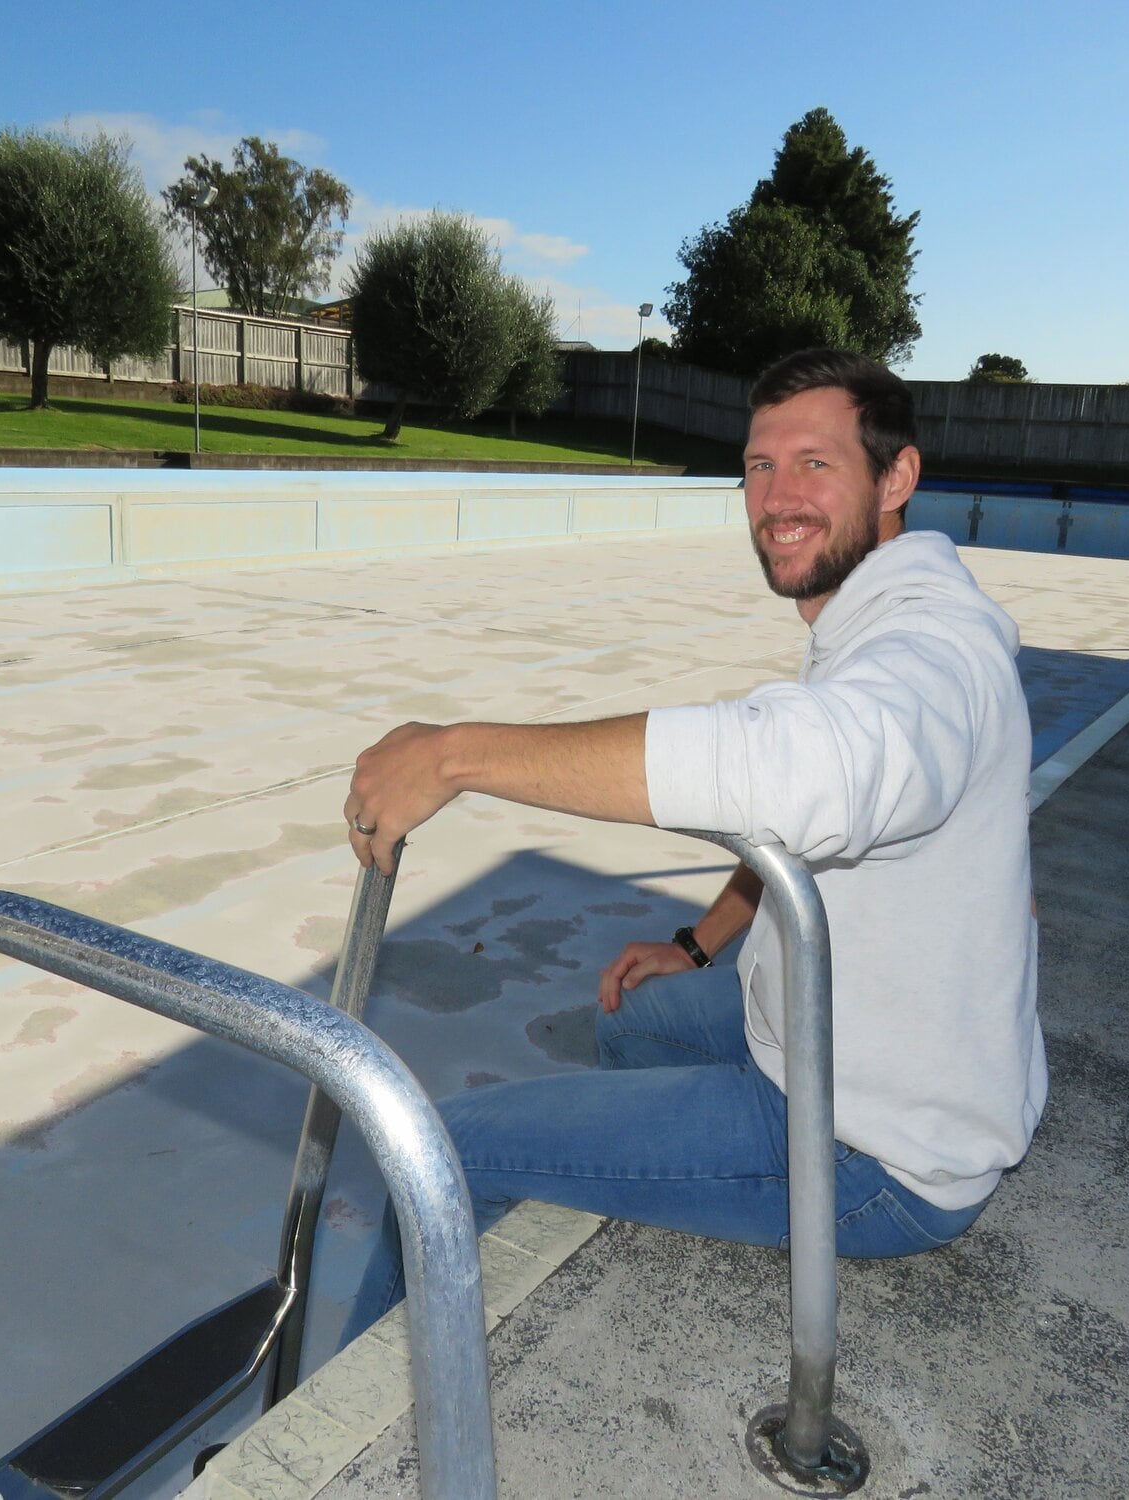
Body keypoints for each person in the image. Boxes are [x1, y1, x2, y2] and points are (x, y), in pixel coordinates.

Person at [339, 348, 1046, 1337]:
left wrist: (455, 756)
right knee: (634, 1015)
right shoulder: (881, 624)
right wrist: (698, 944)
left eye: (814, 463)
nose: (777, 497)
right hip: (836, 1036)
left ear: (896, 478)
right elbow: (804, 835)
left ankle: (351, 1426)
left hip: (871, 1148)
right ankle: (649, 1184)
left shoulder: (932, 651)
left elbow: (808, 776)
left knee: (444, 1154)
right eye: (758, 466)